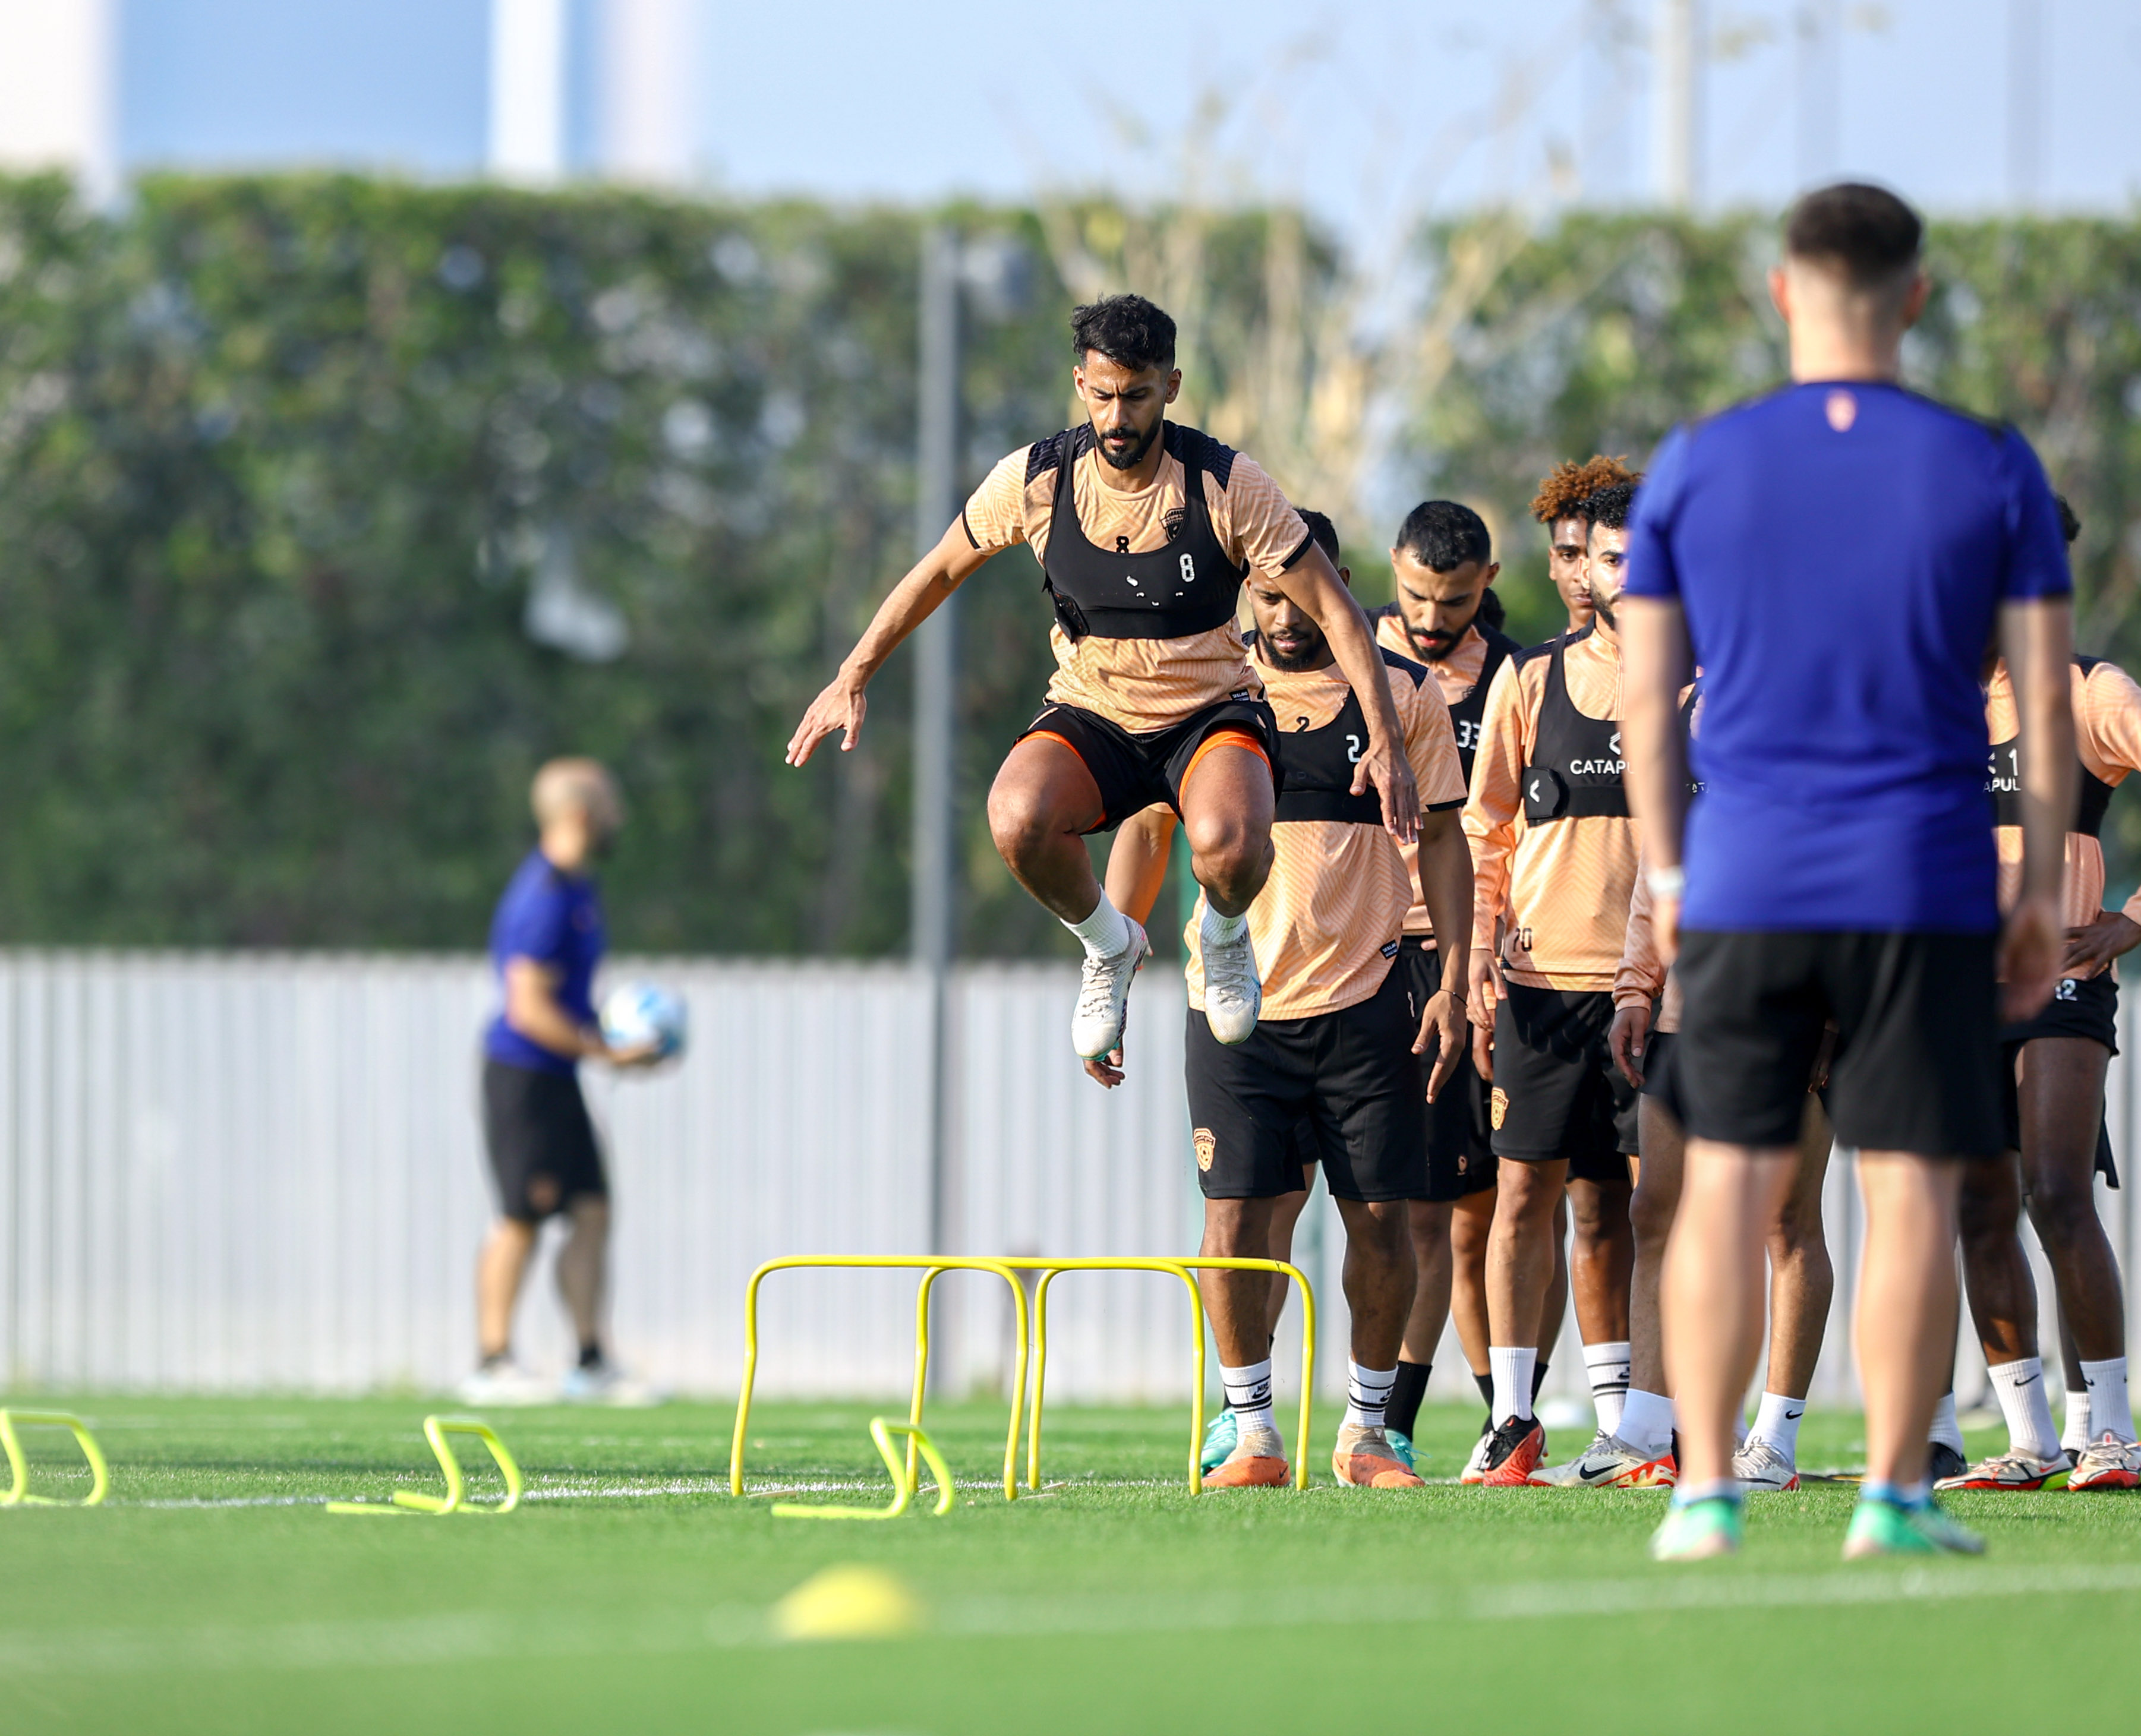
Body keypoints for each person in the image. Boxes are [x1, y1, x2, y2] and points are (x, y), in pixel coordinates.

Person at [1621, 181, 2076, 1561]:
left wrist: (1662, 877)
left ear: (1780, 292)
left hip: (1745, 876)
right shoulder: (1989, 462)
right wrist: (2039, 887)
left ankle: (1702, 1491)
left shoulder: (1695, 460)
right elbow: (2044, 706)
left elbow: (1646, 701)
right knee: (1907, 1186)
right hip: (1920, 879)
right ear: (1915, 297)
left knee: (1719, 1182)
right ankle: (1890, 1493)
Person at [787, 293, 1417, 1062]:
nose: (1118, 416)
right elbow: (937, 571)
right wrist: (851, 675)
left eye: (1138, 395)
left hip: (1208, 712)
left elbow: (1339, 611)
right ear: (1080, 383)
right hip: (1094, 713)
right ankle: (1108, 945)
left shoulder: (1225, 482)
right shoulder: (1036, 479)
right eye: (1103, 394)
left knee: (1227, 841)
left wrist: (1385, 737)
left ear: (1170, 387)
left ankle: (1224, 938)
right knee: (1016, 817)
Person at [1087, 510, 1474, 1489]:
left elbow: (1440, 839)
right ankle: (1249, 1427)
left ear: (1334, 584)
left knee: (1383, 1218)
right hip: (1235, 1010)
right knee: (1236, 1220)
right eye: (1266, 589)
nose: (1285, 609)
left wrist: (1458, 976)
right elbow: (1146, 829)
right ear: (1242, 587)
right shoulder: (1204, 694)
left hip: (1367, 1000)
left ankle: (1367, 1431)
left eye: (1303, 589)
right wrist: (1115, 962)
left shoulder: (1400, 695)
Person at [1944, 496, 2140, 1494]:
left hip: (2061, 976)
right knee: (1978, 1207)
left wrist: (2132, 919)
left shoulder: (2090, 690)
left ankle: (2108, 1429)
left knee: (2055, 1190)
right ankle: (2028, 1438)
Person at [1464, 479, 1645, 1486]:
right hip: (1538, 981)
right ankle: (1511, 1416)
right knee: (1518, 1194)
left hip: (1655, 989)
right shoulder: (1528, 681)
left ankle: (1627, 1426)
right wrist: (1480, 959)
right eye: (1594, 555)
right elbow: (1485, 829)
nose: (1606, 574)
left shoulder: (1699, 684)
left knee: (1625, 1206)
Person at [1367, 500, 1554, 1473]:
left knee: (1479, 1207)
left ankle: (1498, 1419)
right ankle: (1396, 1418)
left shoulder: (1521, 677)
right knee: (1405, 1210)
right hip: (1366, 959)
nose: (1431, 618)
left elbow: (1511, 833)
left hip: (1479, 967)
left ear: (1485, 583)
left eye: (1451, 600)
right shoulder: (1352, 663)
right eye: (1414, 597)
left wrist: (1483, 960)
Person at [1612, 860, 1837, 1491]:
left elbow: (1841, 869)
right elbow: (1656, 870)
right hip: (1687, 1013)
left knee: (1785, 1224)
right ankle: (1645, 1434)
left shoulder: (1813, 762)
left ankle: (1775, 1441)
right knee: (1655, 1212)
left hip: (1791, 1014)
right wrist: (1635, 990)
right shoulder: (1681, 760)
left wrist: (1830, 1015)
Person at [463, 759, 659, 1406]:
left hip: (559, 1074)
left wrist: (619, 1041)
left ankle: (590, 1361)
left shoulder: (579, 889)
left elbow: (567, 1002)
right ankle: (492, 1363)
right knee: (520, 1218)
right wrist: (606, 1052)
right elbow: (527, 1007)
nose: (619, 819)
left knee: (592, 1213)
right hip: (523, 1078)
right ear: (579, 815)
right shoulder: (544, 896)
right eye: (609, 806)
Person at [1531, 456, 1634, 636]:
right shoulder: (1534, 663)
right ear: (1552, 561)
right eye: (1569, 556)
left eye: (1612, 560)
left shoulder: (1687, 661)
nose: (1583, 574)